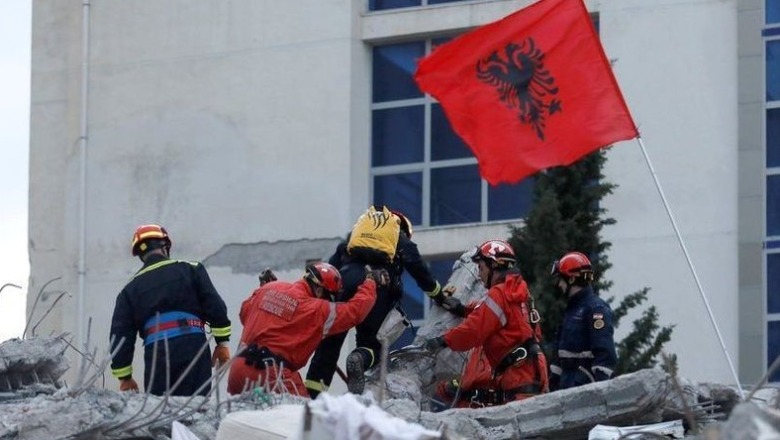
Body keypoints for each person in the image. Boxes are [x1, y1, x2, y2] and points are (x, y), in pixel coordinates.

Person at [305, 207, 461, 397]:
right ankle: (360, 358)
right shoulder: (398, 236)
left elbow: (331, 266)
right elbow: (419, 270)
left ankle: (312, 397)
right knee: (373, 344)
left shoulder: (354, 236)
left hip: (345, 280)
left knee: (330, 343)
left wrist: (319, 299)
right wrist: (440, 296)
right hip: (377, 285)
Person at [227, 262, 387, 396]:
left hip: (238, 370)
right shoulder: (316, 309)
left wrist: (264, 290)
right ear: (319, 290)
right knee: (305, 424)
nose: (329, 302)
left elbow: (245, 314)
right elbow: (355, 312)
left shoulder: (269, 289)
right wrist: (371, 282)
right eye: (329, 298)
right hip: (272, 374)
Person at [109, 224, 232, 396]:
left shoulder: (129, 290)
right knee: (195, 408)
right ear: (165, 246)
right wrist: (222, 343)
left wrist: (124, 377)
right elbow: (216, 307)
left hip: (157, 352)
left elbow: (120, 336)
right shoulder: (191, 269)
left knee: (162, 413)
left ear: (140, 255)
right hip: (193, 345)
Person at [422, 240, 549, 406]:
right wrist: (463, 309)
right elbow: (492, 312)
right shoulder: (518, 292)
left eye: (481, 267)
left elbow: (473, 330)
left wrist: (443, 341)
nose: (479, 275)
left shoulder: (499, 293)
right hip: (530, 370)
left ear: (494, 265)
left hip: (519, 375)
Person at [548, 251, 617, 390]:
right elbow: (559, 352)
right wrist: (553, 381)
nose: (559, 285)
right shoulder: (571, 310)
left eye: (561, 279)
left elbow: (604, 353)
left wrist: (599, 388)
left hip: (584, 387)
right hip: (567, 384)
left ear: (571, 279)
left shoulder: (596, 309)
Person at [432, 346, 494, 410]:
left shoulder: (499, 352)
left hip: (488, 413)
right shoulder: (476, 350)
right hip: (465, 412)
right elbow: (463, 381)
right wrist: (450, 386)